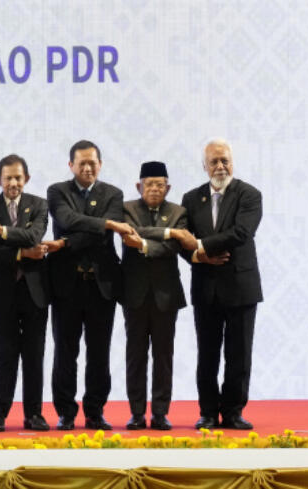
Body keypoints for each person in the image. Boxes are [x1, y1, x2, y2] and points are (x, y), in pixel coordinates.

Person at [171, 139, 262, 430]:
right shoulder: (190, 198)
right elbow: (180, 242)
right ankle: (208, 412)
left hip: (241, 287)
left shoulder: (249, 194)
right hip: (206, 287)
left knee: (239, 354)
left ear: (232, 162)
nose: (220, 166)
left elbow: (242, 232)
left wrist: (199, 245)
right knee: (207, 354)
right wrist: (198, 257)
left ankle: (234, 412)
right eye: (214, 162)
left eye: (224, 160)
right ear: (204, 166)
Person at [45, 139, 136, 431]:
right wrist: (107, 225)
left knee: (99, 352)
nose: (87, 167)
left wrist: (66, 242)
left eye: (92, 162)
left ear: (100, 164)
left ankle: (95, 412)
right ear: (71, 165)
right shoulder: (57, 191)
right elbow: (66, 218)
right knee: (65, 352)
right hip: (65, 285)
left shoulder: (113, 193)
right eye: (81, 163)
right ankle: (66, 413)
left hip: (102, 286)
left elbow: (92, 234)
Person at [0, 154, 51, 432]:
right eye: (8, 177)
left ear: (26, 179)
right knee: (5, 355)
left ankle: (34, 414)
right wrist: (22, 252)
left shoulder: (40, 204)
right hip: (1, 293)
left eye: (18, 177)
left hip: (35, 293)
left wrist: (0, 231)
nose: (13, 182)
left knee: (34, 356)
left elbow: (36, 236)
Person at [118, 161, 187, 432]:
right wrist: (169, 232)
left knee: (163, 355)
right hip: (134, 294)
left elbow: (171, 249)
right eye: (149, 184)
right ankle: (136, 413)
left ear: (168, 187)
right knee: (135, 356)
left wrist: (146, 244)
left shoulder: (179, 212)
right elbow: (131, 234)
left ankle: (160, 413)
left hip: (166, 295)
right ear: (139, 186)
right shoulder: (127, 209)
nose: (155, 189)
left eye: (160, 184)